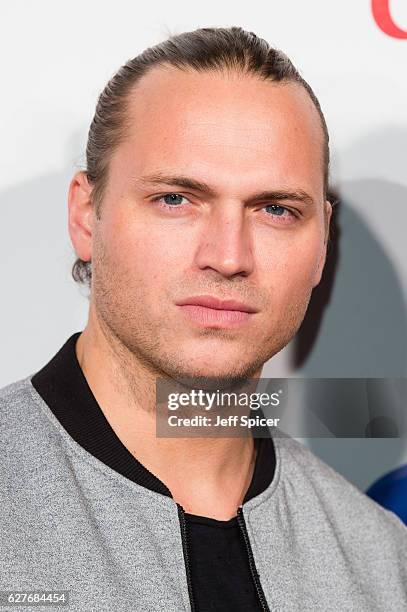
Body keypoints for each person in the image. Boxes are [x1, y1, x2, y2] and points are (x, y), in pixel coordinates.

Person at [1, 26, 406, 612]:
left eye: (275, 210)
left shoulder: (379, 560)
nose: (229, 256)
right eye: (176, 199)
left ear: (321, 245)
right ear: (87, 217)